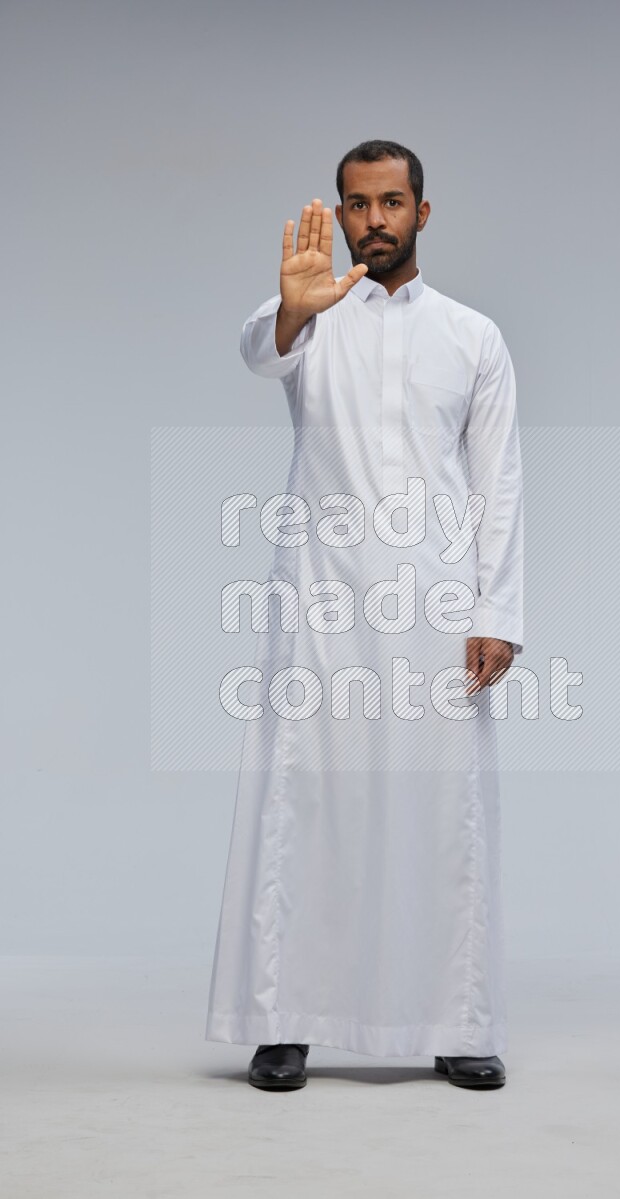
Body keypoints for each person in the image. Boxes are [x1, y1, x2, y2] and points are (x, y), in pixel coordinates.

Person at [206, 140, 524, 1091]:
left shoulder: (474, 337)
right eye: (357, 204)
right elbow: (260, 352)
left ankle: (458, 1019)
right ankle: (284, 1020)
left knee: (444, 807)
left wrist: (496, 608)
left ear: (424, 211)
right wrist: (293, 312)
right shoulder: (309, 315)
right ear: (339, 216)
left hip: (435, 606)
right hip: (323, 602)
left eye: (391, 202)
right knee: (308, 800)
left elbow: (498, 483)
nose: (373, 220)